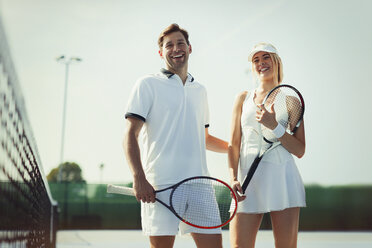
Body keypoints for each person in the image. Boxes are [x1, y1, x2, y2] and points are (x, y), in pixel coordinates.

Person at [123, 23, 228, 248]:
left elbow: (205, 138)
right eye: (169, 45)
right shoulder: (147, 84)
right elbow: (130, 135)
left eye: (180, 43)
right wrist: (139, 177)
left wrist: (237, 148)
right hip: (160, 185)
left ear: (190, 48)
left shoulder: (200, 90)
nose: (175, 48)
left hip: (200, 185)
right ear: (161, 53)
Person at [228, 42, 306, 248]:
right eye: (256, 60)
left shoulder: (291, 101)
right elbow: (234, 144)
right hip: (247, 182)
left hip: (283, 178)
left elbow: (299, 150)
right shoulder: (242, 98)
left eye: (266, 57)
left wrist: (274, 126)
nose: (261, 63)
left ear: (276, 62)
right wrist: (233, 178)